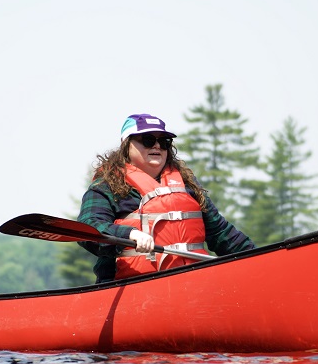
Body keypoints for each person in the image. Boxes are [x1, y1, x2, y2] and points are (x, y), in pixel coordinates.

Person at [77, 113, 255, 283]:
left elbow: (221, 233)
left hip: (193, 283)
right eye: (148, 140)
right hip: (132, 287)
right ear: (126, 144)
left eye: (164, 141)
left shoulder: (187, 185)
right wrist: (129, 234)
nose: (156, 146)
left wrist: (260, 257)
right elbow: (88, 228)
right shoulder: (106, 186)